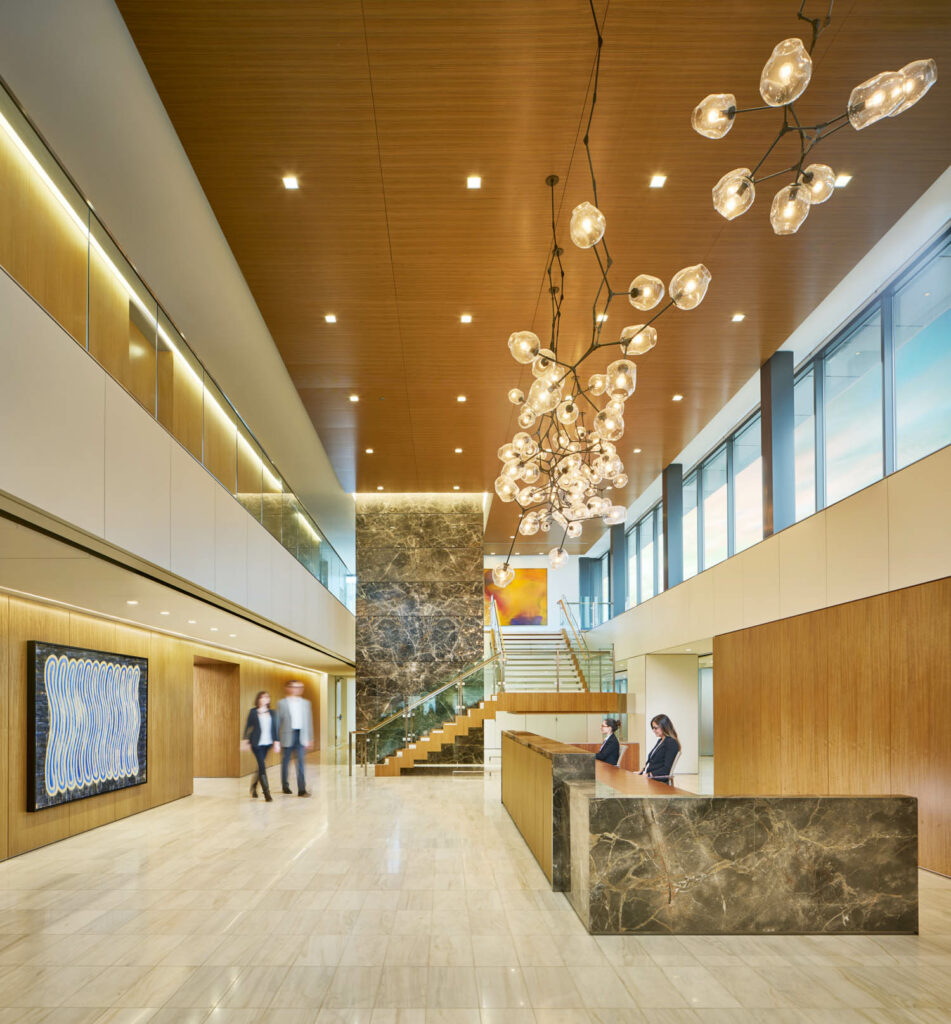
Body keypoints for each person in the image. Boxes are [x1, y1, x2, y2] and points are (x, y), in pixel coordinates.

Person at [276, 679, 314, 796]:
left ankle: (302, 789)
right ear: (288, 688)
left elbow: (308, 721)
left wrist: (310, 738)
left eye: (300, 687)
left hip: (301, 736)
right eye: (295, 687)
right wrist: (276, 740)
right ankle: (285, 785)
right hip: (287, 736)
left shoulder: (306, 703)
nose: (298, 689)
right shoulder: (282, 703)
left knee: (301, 762)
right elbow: (277, 722)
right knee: (286, 762)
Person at [242, 690, 280, 801]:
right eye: (262, 697)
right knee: (262, 766)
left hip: (267, 743)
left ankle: (254, 786)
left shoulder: (272, 713)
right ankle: (267, 793)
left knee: (261, 766)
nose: (265, 699)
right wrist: (245, 740)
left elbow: (275, 728)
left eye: (267, 697)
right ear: (258, 699)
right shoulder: (253, 712)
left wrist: (277, 741)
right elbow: (248, 727)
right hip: (256, 744)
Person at [640, 713, 680, 785]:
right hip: (650, 777)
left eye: (656, 728)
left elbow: (666, 769)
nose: (654, 730)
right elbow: (652, 761)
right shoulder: (661, 741)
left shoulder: (671, 743)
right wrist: (642, 771)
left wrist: (649, 775)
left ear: (664, 727)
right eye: (653, 728)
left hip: (657, 780)